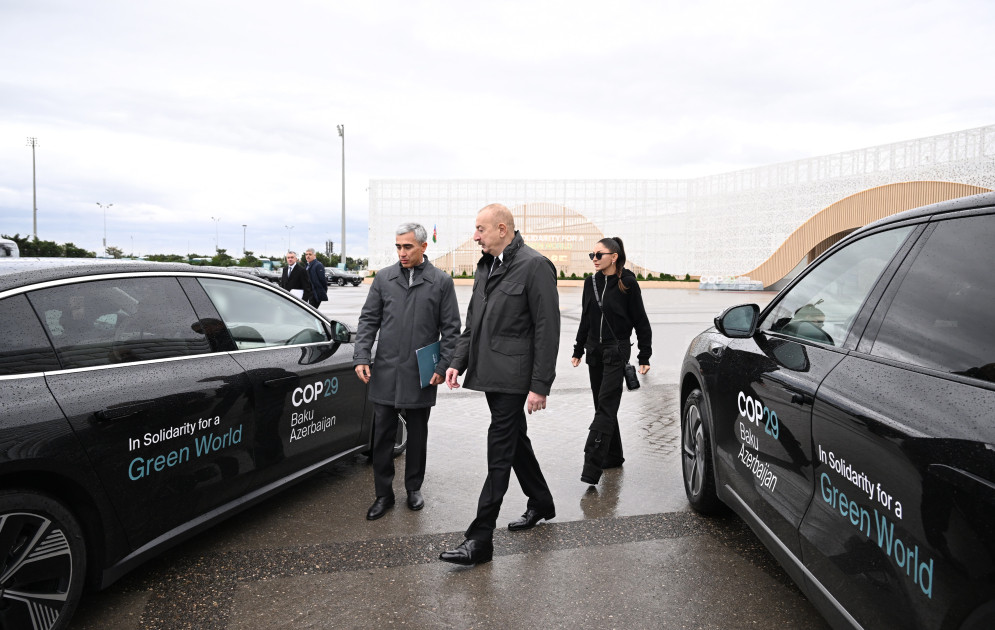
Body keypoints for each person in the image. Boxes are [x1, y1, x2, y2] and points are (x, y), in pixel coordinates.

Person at [440, 204, 559, 566]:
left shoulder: (535, 265)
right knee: (514, 440)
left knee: (499, 449)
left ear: (502, 229)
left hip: (514, 377)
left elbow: (547, 329)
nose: (475, 236)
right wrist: (456, 362)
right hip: (490, 373)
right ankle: (541, 501)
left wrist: (540, 385)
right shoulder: (486, 266)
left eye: (481, 229)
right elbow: (472, 324)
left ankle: (480, 539)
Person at [353, 222, 461, 520]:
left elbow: (452, 330)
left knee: (417, 435)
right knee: (382, 436)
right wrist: (362, 355)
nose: (402, 252)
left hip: (421, 373)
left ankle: (414, 488)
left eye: (408, 247)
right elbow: (368, 320)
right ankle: (383, 494)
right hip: (386, 370)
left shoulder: (441, 282)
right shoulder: (383, 279)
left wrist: (442, 366)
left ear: (423, 247)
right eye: (398, 246)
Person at [570, 237, 651, 485]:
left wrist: (644, 355)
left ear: (614, 257)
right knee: (602, 405)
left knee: (606, 406)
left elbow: (640, 320)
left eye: (599, 255)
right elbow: (586, 318)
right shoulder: (590, 283)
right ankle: (614, 455)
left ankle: (592, 466)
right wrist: (578, 349)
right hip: (594, 352)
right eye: (592, 255)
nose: (594, 259)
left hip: (617, 351)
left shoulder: (628, 283)